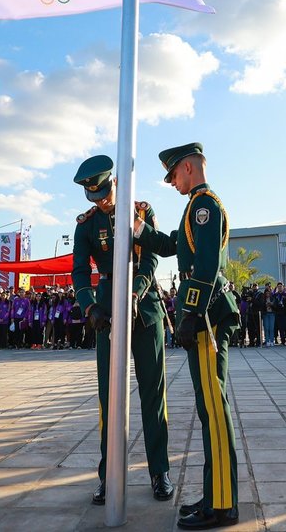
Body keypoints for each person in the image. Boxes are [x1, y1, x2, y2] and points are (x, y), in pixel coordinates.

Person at [135, 142, 240, 529]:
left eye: (174, 175)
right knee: (208, 408)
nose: (172, 182)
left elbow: (207, 265)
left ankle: (223, 504)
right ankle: (214, 494)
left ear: (189, 168)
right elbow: (170, 246)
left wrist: (192, 313)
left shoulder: (204, 205)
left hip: (207, 320)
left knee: (214, 408)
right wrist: (139, 229)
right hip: (203, 317)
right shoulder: (195, 206)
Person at [70, 154, 175, 506]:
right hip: (107, 311)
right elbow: (79, 271)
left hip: (144, 309)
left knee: (153, 393)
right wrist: (90, 306)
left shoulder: (140, 212)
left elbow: (151, 260)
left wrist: (134, 293)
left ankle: (159, 471)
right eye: (94, 196)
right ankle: (109, 475)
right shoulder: (86, 224)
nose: (100, 201)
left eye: (104, 194)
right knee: (108, 397)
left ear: (114, 182)